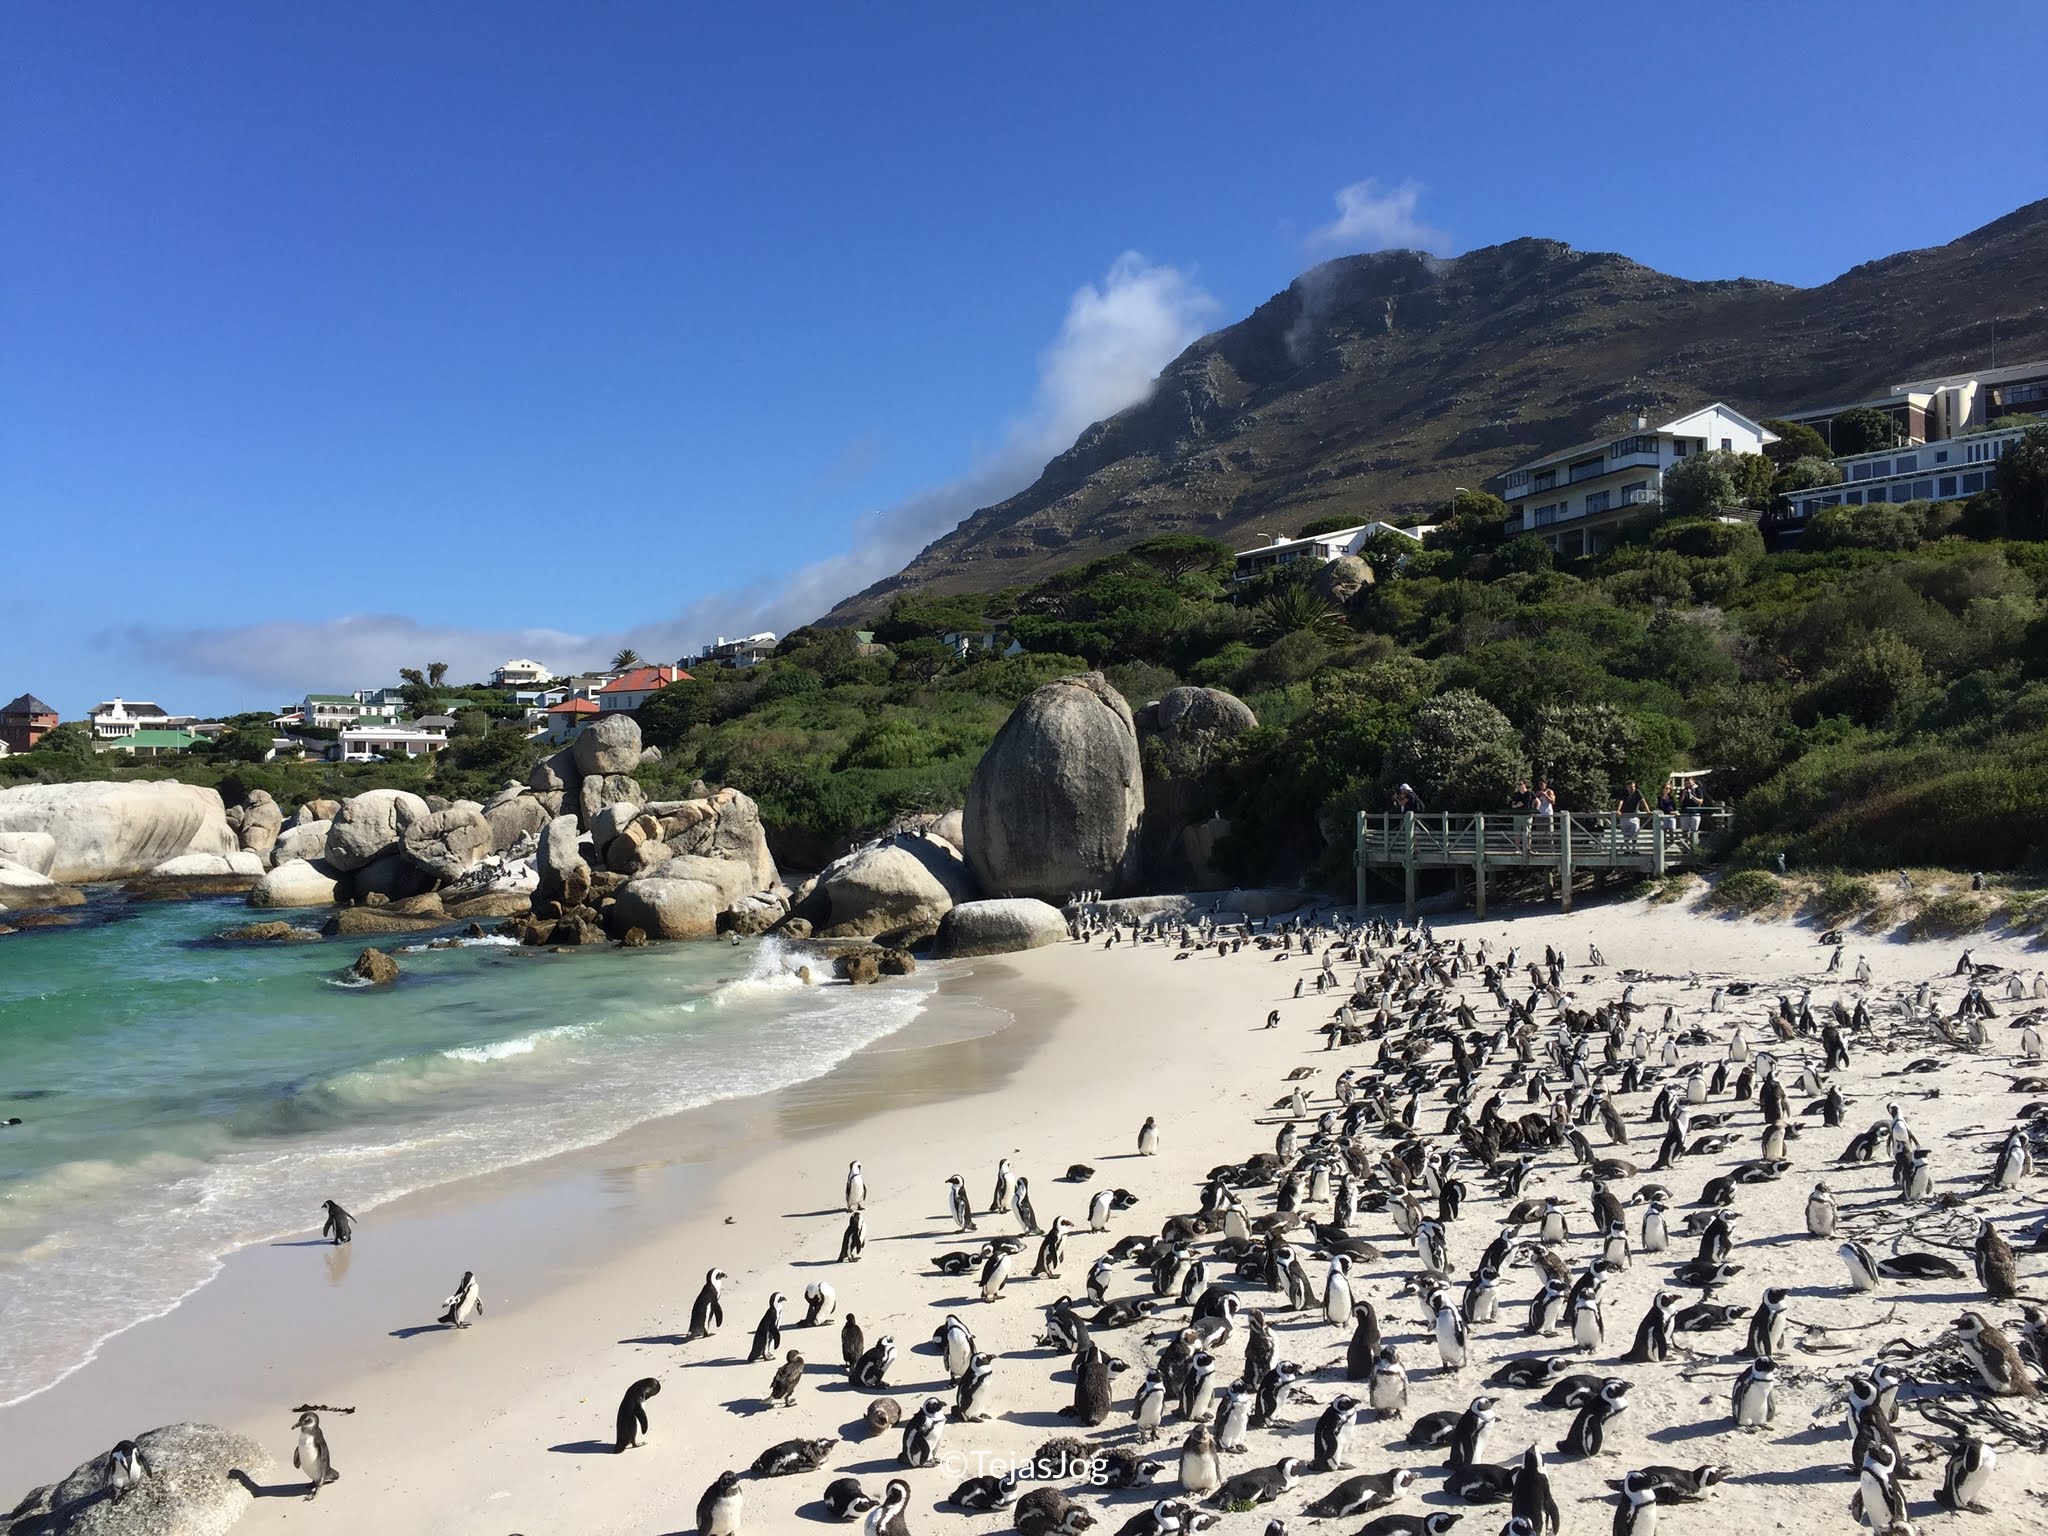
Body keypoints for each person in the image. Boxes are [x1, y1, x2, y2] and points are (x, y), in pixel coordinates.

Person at [1616, 779, 1648, 849]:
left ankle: (1634, 849)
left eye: (1634, 787)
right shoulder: (1623, 793)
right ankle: (1627, 849)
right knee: (1625, 834)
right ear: (1627, 787)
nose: (1633, 788)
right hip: (1624, 815)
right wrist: (1618, 810)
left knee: (1635, 833)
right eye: (1631, 787)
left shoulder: (1637, 792)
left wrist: (1648, 811)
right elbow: (1621, 801)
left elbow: (1643, 801)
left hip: (1634, 815)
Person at [1509, 779, 1535, 854]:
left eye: (1520, 784)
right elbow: (1512, 805)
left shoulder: (1530, 793)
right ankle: (1517, 849)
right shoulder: (1516, 794)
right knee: (1517, 832)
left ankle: (1528, 849)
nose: (1519, 786)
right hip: (1517, 815)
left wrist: (1534, 812)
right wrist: (1517, 805)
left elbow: (1538, 802)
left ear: (1524, 784)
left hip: (1527, 816)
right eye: (1518, 784)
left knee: (1527, 832)